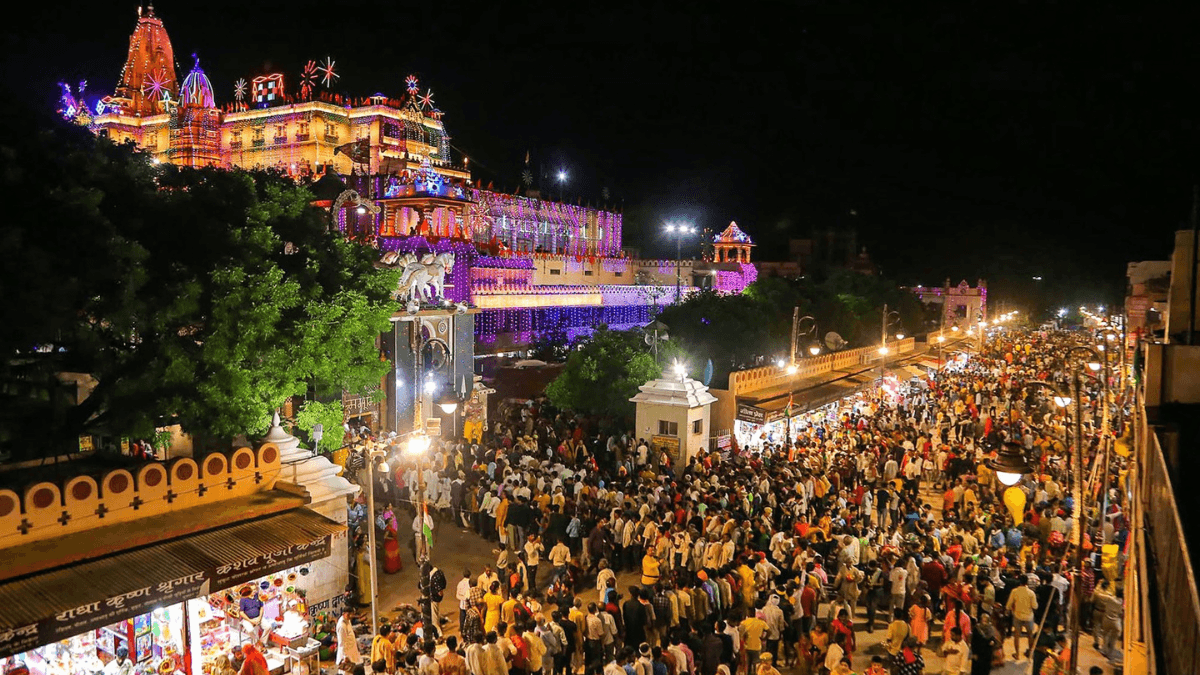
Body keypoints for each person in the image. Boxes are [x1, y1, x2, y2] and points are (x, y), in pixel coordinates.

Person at [1006, 577, 1038, 660]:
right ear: (1027, 582)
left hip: (1017, 616)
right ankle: (1030, 653)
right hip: (1029, 617)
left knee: (1017, 635)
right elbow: (1035, 606)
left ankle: (1017, 654)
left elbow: (1008, 605)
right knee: (1030, 635)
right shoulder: (1031, 593)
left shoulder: (1014, 591)